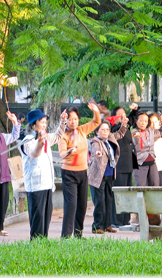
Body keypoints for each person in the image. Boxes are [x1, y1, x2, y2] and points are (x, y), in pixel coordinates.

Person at [20, 108, 68, 240]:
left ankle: (43, 243)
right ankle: (35, 244)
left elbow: (58, 136)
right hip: (36, 186)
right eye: (41, 122)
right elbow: (35, 154)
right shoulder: (27, 141)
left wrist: (63, 122)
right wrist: (40, 143)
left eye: (45, 122)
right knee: (38, 219)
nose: (44, 125)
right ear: (33, 124)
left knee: (46, 218)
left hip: (47, 184)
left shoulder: (46, 138)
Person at [58, 102, 101, 238]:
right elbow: (62, 153)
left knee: (82, 206)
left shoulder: (82, 130)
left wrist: (96, 110)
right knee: (71, 205)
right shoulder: (63, 136)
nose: (73, 122)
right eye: (70, 119)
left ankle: (78, 234)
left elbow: (96, 121)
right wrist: (70, 151)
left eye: (75, 119)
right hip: (69, 173)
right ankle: (65, 235)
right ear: (66, 120)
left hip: (83, 172)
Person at [88, 117, 129, 234]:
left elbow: (120, 134)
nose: (106, 131)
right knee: (99, 201)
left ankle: (107, 225)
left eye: (107, 129)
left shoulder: (110, 137)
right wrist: (97, 153)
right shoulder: (96, 141)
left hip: (110, 174)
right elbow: (95, 150)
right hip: (98, 176)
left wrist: (124, 124)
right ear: (97, 131)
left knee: (108, 200)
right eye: (103, 129)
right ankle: (97, 226)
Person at [110, 103, 139, 228]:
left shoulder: (126, 126)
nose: (123, 117)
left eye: (124, 114)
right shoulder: (113, 128)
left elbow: (133, 118)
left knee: (127, 191)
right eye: (120, 114)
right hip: (119, 164)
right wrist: (122, 124)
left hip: (128, 164)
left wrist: (135, 109)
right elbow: (116, 132)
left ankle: (125, 219)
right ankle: (116, 219)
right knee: (119, 192)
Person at [131, 110, 162, 186]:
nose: (143, 123)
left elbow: (161, 133)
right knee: (141, 186)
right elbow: (135, 145)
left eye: (145, 121)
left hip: (151, 161)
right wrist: (137, 137)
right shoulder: (134, 132)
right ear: (136, 121)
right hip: (140, 163)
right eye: (141, 120)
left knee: (155, 184)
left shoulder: (150, 130)